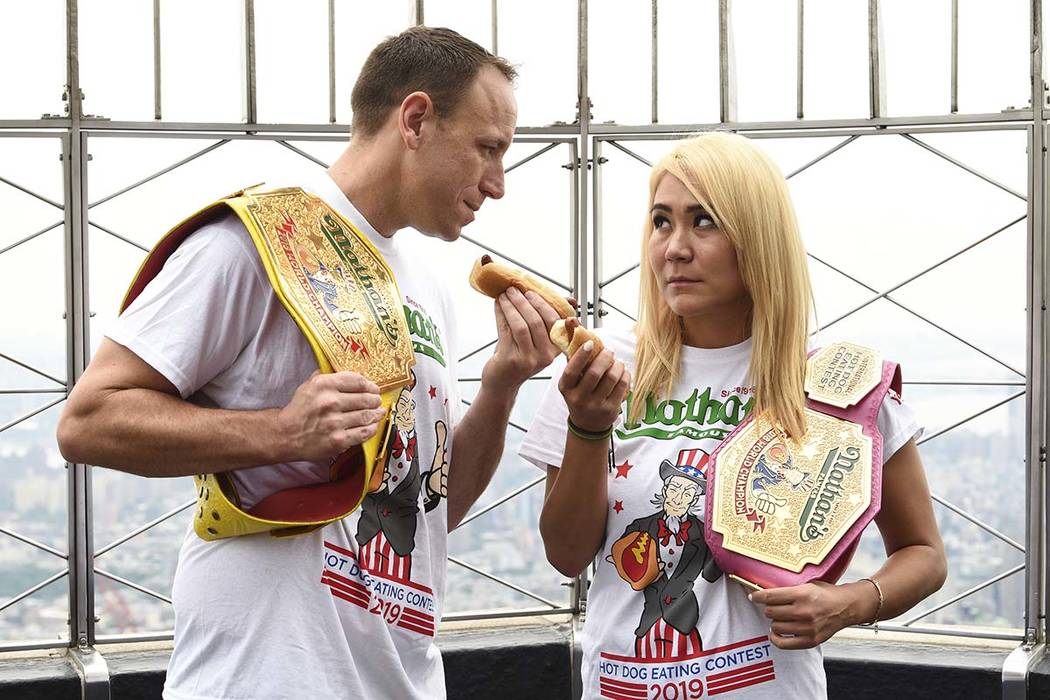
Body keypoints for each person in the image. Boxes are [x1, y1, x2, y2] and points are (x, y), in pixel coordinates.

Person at [57, 26, 563, 700]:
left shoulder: (428, 284)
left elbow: (429, 512)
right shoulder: (255, 239)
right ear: (414, 120)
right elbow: (87, 420)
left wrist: (501, 385)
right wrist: (282, 433)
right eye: (488, 149)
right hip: (264, 680)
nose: (497, 183)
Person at [519, 132, 947, 698]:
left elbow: (923, 553)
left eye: (704, 222)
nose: (674, 248)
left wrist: (847, 604)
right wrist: (588, 427)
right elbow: (567, 555)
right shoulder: (601, 365)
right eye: (661, 221)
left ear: (758, 239)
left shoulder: (834, 384)